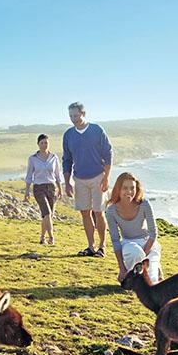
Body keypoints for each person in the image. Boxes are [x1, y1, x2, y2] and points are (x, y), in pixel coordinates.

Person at [62, 101, 112, 257]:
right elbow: (67, 159)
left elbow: (108, 153)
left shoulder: (97, 130)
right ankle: (91, 246)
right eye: (71, 116)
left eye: (75, 115)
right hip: (79, 179)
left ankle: (102, 246)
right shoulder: (68, 134)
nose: (73, 118)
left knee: (99, 212)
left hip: (98, 176)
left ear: (83, 114)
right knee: (85, 213)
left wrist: (106, 178)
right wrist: (67, 182)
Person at [106, 172, 163, 284]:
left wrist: (145, 256)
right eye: (125, 188)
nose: (129, 192)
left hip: (149, 245)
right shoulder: (111, 211)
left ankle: (154, 268)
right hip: (128, 245)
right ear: (118, 189)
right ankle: (141, 271)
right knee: (135, 252)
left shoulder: (144, 204)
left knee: (152, 283)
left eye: (132, 188)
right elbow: (115, 240)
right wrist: (122, 269)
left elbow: (153, 233)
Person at [24, 133, 64, 244]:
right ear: (38, 144)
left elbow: (57, 175)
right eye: (42, 143)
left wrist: (60, 189)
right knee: (46, 213)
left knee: (49, 215)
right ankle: (51, 237)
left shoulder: (54, 158)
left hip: (51, 188)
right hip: (38, 188)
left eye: (46, 142)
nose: (44, 145)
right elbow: (29, 176)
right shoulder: (33, 159)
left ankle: (42, 237)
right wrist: (27, 191)